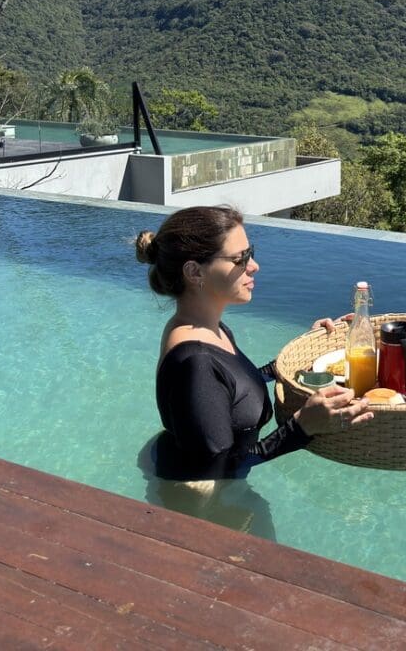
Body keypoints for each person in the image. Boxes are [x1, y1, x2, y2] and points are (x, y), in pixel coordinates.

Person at [135, 205, 372, 488]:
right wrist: (301, 428)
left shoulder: (208, 329)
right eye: (240, 258)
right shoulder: (195, 360)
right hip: (213, 513)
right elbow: (215, 470)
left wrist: (293, 363)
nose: (254, 266)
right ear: (194, 272)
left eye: (251, 253)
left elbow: (229, 388)